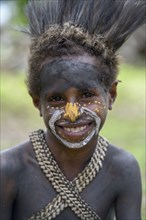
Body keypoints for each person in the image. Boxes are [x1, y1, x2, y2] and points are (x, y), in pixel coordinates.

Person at [1, 1, 145, 219]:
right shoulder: (9, 169)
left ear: (111, 95)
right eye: (57, 99)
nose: (72, 112)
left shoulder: (122, 168)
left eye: (87, 95)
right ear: (37, 102)